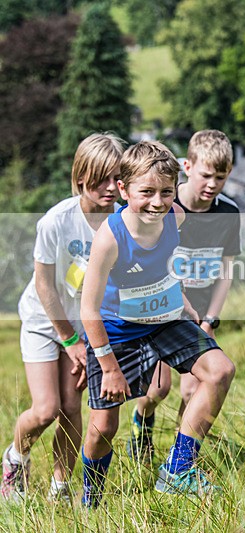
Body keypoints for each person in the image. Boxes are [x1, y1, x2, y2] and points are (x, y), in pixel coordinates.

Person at [79, 140, 235, 506]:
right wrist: (109, 368)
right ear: (123, 189)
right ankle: (90, 499)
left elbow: (168, 260)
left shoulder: (175, 217)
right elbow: (89, 310)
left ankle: (178, 470)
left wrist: (180, 300)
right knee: (104, 428)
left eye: (166, 191)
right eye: (146, 192)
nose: (157, 201)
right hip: (116, 333)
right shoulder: (109, 238)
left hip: (164, 320)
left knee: (220, 370)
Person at [0, 133, 124, 503]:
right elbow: (44, 286)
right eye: (100, 179)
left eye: (115, 178)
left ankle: (60, 489)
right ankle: (14, 460)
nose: (109, 188)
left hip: (85, 327)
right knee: (45, 409)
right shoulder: (56, 221)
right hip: (45, 322)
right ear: (81, 177)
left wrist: (93, 339)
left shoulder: (120, 221)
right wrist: (70, 341)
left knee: (71, 409)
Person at [126, 130, 241, 463]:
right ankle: (142, 422)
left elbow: (225, 271)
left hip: (200, 315)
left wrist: (211, 320)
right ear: (187, 167)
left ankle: (180, 459)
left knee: (194, 387)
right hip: (162, 311)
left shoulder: (229, 213)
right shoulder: (164, 204)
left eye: (220, 177)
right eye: (206, 175)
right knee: (156, 390)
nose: (212, 184)